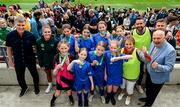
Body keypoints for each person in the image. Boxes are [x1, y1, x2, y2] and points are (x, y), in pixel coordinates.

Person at [140, 30, 176, 107]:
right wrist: (146, 54)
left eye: (158, 38)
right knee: (148, 89)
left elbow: (170, 68)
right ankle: (147, 98)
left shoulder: (170, 50)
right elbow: (151, 56)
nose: (156, 40)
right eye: (154, 38)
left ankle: (148, 104)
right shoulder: (153, 43)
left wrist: (158, 66)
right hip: (149, 72)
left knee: (153, 93)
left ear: (164, 38)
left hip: (158, 77)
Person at [6, 16, 40, 97]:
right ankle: (24, 88)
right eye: (19, 25)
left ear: (25, 25)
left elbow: (35, 48)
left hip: (30, 59)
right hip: (18, 59)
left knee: (35, 74)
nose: (21, 27)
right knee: (20, 76)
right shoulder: (10, 35)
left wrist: (37, 58)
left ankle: (36, 87)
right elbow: (9, 49)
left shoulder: (30, 35)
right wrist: (10, 60)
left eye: (23, 25)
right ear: (15, 24)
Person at [117, 36, 151, 105]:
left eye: (130, 44)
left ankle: (129, 97)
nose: (128, 46)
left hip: (132, 76)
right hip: (122, 74)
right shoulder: (121, 50)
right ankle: (122, 92)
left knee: (130, 90)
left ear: (133, 44)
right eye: (127, 44)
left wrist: (145, 53)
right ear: (124, 44)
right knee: (122, 86)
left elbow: (147, 60)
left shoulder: (137, 51)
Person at [105, 40, 132, 105]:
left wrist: (119, 58)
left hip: (117, 76)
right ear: (109, 47)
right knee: (109, 90)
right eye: (111, 47)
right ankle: (108, 96)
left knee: (114, 90)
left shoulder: (120, 55)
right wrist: (105, 74)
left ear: (118, 48)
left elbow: (131, 57)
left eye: (115, 48)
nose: (113, 49)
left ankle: (112, 97)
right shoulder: (107, 53)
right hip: (109, 76)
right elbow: (98, 52)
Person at [50, 41, 74, 107]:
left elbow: (73, 71)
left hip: (68, 77)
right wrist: (57, 68)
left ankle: (71, 98)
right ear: (58, 48)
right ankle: (52, 100)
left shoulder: (71, 57)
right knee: (58, 93)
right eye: (62, 48)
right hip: (60, 78)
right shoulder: (56, 57)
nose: (63, 50)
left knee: (68, 91)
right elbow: (54, 73)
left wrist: (68, 64)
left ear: (68, 48)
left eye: (65, 48)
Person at [36, 25, 58, 94]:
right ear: (42, 33)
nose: (47, 33)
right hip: (45, 61)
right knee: (48, 73)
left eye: (49, 32)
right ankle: (50, 85)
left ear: (51, 32)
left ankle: (59, 85)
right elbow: (38, 53)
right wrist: (40, 62)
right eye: (45, 32)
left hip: (53, 61)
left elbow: (57, 53)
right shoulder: (38, 41)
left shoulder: (55, 40)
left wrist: (57, 62)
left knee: (57, 73)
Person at [132, 17, 152, 94]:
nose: (139, 25)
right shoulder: (132, 32)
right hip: (137, 56)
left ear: (144, 24)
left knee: (147, 72)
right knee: (139, 71)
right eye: (137, 24)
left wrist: (169, 32)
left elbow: (161, 30)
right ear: (135, 24)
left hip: (147, 56)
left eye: (141, 23)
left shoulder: (149, 31)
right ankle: (136, 84)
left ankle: (143, 85)